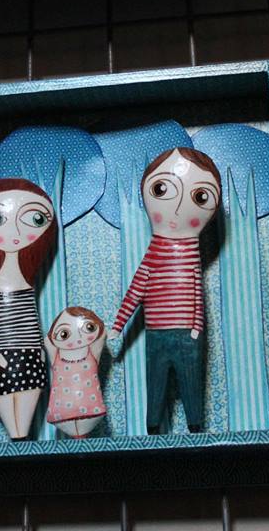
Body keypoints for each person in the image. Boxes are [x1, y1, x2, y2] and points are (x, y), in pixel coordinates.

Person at [109, 147, 221, 433]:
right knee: (155, 384)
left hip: (187, 333)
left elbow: (196, 292)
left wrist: (196, 327)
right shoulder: (155, 253)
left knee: (191, 384)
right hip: (156, 332)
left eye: (200, 196)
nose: (179, 207)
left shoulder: (190, 251)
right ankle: (153, 429)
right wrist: (118, 325)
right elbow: (137, 288)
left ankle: (195, 428)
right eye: (162, 189)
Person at [0, 177, 57, 439]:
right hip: (0, 352)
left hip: (28, 349)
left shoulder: (24, 286)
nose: (15, 232)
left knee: (29, 389)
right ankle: (18, 434)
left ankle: (19, 434)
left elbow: (30, 321)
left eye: (35, 219)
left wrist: (39, 351)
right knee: (4, 390)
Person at [45, 306, 107, 438]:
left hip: (89, 407)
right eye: (64, 334)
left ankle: (80, 440)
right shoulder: (56, 355)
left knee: (80, 437)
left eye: (89, 328)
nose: (78, 338)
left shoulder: (92, 352)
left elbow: (102, 336)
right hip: (62, 409)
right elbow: (48, 343)